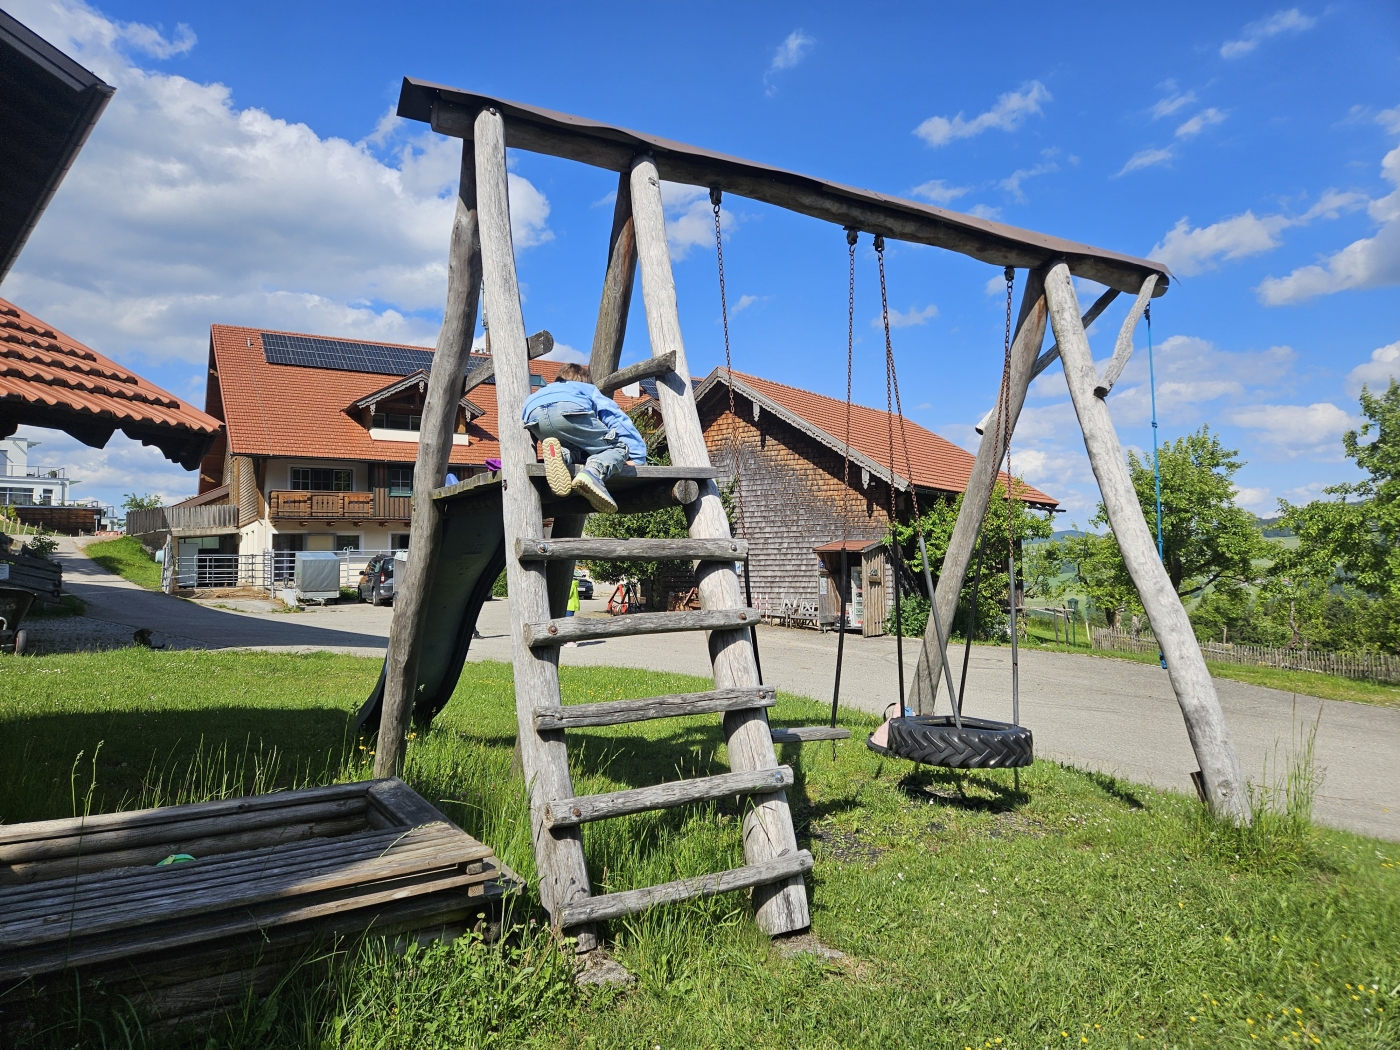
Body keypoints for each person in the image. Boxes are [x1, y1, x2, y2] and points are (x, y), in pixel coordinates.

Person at [520, 363, 646, 514]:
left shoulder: (544, 390)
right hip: (569, 408)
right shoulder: (587, 389)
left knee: (576, 450)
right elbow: (615, 418)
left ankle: (561, 454)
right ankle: (593, 473)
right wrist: (638, 456)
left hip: (533, 414)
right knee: (620, 448)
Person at [563, 576, 580, 647]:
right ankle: (566, 640)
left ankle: (571, 641)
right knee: (566, 622)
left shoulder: (571, 585)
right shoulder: (573, 584)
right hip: (570, 606)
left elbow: (568, 595)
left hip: (569, 606)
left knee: (569, 623)